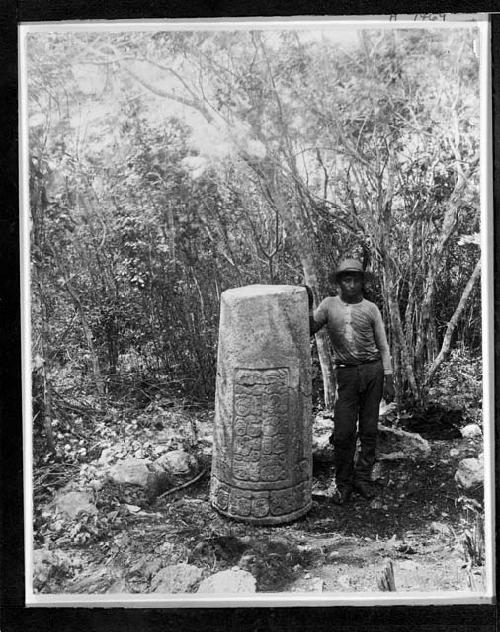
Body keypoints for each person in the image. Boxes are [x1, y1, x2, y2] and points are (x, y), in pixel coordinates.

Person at [306, 259, 395, 505]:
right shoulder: (329, 305)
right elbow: (310, 328)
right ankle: (343, 484)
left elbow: (383, 345)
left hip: (373, 371)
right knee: (344, 432)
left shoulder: (371, 308)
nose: (352, 284)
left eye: (356, 279)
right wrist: (306, 303)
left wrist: (388, 377)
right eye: (347, 279)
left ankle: (362, 479)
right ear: (339, 282)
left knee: (369, 429)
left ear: (362, 282)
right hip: (346, 374)